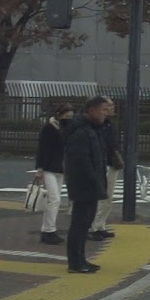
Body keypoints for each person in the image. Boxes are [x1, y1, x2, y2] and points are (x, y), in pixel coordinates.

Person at [63, 95, 114, 274]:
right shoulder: (81, 132)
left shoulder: (93, 129)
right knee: (80, 224)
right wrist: (93, 181)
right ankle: (75, 262)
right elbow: (80, 162)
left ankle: (80, 259)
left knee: (85, 224)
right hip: (83, 186)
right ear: (91, 110)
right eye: (102, 110)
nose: (105, 113)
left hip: (90, 185)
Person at [33, 103, 73, 245]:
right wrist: (39, 169)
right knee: (54, 199)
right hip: (49, 167)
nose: (69, 119)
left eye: (70, 117)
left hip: (60, 168)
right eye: (67, 116)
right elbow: (42, 149)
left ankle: (48, 230)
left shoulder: (66, 129)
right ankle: (49, 230)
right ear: (59, 115)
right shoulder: (49, 128)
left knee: (54, 199)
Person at [89, 111, 122, 241]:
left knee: (108, 199)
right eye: (107, 106)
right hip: (103, 164)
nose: (111, 108)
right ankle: (94, 227)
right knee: (101, 198)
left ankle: (100, 226)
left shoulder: (109, 125)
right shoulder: (97, 126)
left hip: (112, 163)